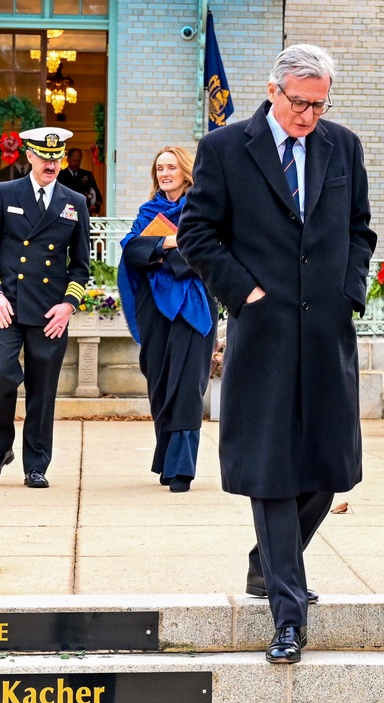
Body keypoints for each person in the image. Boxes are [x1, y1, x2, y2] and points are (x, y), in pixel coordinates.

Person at [178, 44, 377, 664]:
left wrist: (349, 290)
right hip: (263, 333)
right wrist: (247, 294)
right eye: (299, 102)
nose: (309, 115)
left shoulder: (342, 146)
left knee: (327, 468)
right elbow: (196, 233)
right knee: (271, 470)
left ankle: (268, 562)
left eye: (320, 104)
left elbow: (359, 230)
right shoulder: (224, 150)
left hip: (325, 334)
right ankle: (287, 616)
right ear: (273, 91)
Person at [0, 126, 91, 489]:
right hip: (6, 305)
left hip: (49, 311)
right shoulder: (5, 192)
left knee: (43, 389)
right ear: (29, 156)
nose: (51, 164)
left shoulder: (76, 202)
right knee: (3, 374)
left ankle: (36, 465)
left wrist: (68, 305)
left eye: (56, 158)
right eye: (44, 157)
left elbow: (81, 265)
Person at [117, 146, 215, 493]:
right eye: (159, 168)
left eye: (171, 167)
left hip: (192, 307)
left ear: (186, 171)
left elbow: (205, 252)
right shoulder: (149, 211)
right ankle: (167, 460)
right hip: (153, 308)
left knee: (186, 386)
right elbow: (132, 251)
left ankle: (182, 469)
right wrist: (167, 245)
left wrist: (162, 251)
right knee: (159, 383)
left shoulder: (202, 209)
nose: (165, 173)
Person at [57, 148, 102, 216]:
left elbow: (98, 196)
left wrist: (95, 206)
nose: (77, 163)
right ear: (68, 160)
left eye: (79, 161)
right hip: (66, 214)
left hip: (84, 213)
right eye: (74, 161)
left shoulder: (88, 175)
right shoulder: (60, 175)